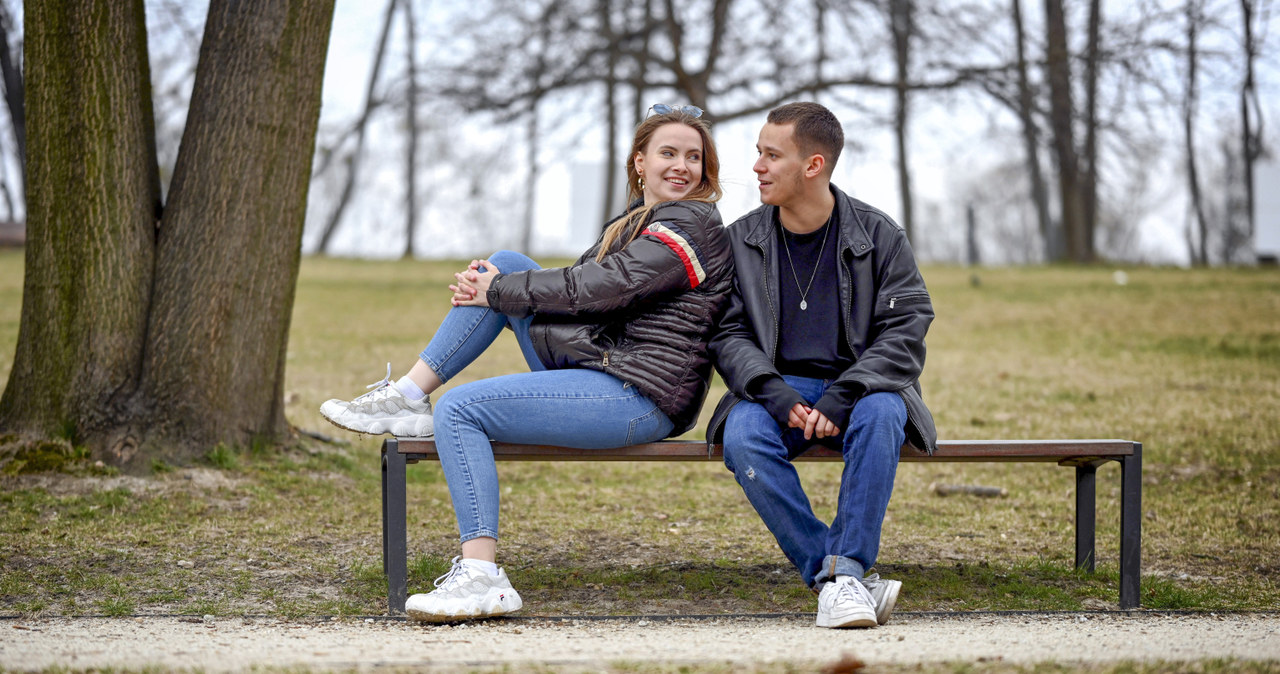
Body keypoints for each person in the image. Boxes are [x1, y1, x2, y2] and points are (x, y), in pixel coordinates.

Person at [320, 105, 732, 622]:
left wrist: (496, 292)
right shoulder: (639, 223)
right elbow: (584, 294)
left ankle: (482, 578)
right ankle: (405, 396)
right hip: (608, 368)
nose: (682, 166)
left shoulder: (691, 227)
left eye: (693, 157)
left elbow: (601, 287)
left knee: (462, 409)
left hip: (638, 396)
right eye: (668, 153)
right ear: (639, 163)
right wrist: (497, 285)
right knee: (509, 263)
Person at [706, 102, 936, 629]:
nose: (757, 167)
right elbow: (727, 331)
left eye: (771, 155)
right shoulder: (740, 241)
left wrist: (844, 394)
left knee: (882, 412)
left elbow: (906, 329)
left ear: (813, 165)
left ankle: (844, 569)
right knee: (743, 434)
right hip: (775, 389)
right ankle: (840, 578)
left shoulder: (878, 235)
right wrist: (774, 393)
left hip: (863, 389)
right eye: (758, 154)